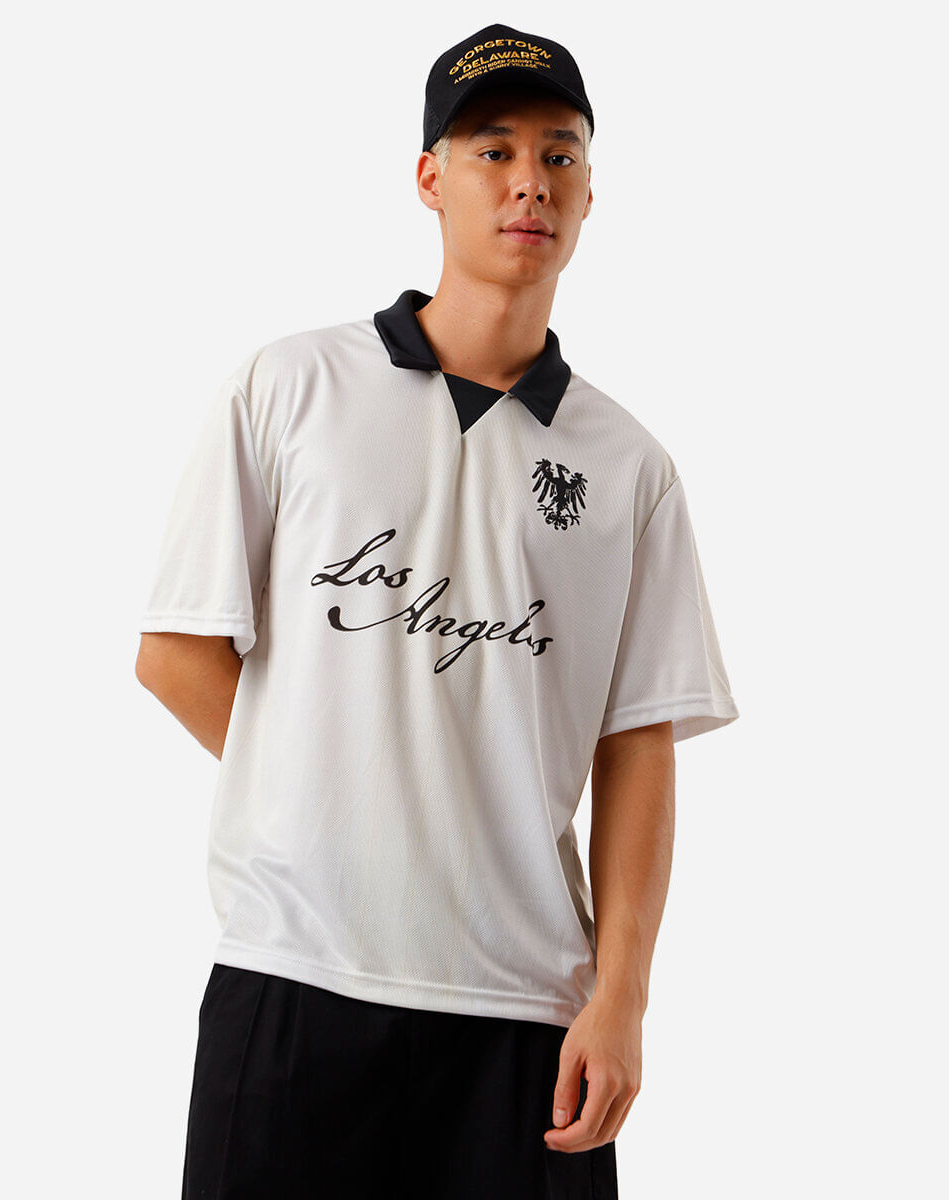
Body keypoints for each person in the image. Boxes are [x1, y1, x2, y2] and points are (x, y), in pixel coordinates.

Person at [136, 21, 740, 1200]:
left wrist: (621, 998)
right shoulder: (291, 387)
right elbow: (176, 652)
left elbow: (638, 745)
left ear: (588, 192)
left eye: (559, 155)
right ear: (430, 178)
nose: (529, 182)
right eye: (492, 150)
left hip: (526, 1020)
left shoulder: (629, 468)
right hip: (295, 982)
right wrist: (339, 799)